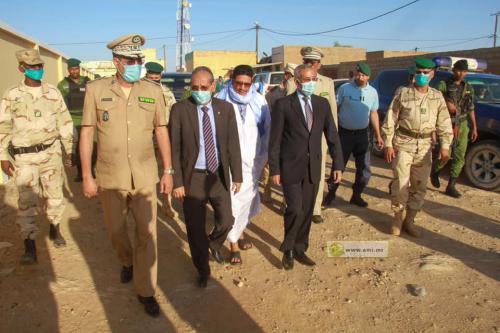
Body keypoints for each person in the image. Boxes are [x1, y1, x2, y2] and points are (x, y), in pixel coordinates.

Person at [79, 34, 173, 317]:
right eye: (131, 60)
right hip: (111, 176)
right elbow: (86, 133)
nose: (136, 65)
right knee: (116, 230)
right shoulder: (96, 90)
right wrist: (87, 175)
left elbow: (161, 130)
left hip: (145, 176)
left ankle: (146, 291)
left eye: (139, 60)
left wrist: (168, 170)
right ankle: (126, 261)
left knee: (147, 234)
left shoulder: (153, 91)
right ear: (116, 62)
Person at [169, 66, 242, 287]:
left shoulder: (226, 109)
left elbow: (232, 144)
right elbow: (174, 148)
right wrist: (178, 181)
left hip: (218, 174)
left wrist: (237, 175)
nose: (199, 91)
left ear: (213, 86)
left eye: (203, 87)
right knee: (195, 227)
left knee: (227, 219)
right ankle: (202, 269)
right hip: (194, 178)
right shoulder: (180, 109)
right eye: (194, 88)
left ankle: (214, 243)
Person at [0, 49, 73, 264]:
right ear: (21, 68)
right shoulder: (11, 94)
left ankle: (54, 228)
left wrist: (69, 150)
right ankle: (29, 245)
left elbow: (65, 122)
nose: (37, 70)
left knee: (54, 195)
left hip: (51, 153)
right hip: (24, 158)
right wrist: (3, 155)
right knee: (26, 200)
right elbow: (3, 127)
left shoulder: (53, 92)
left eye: (39, 66)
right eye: (32, 67)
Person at [269, 64, 343, 270]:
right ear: (297, 81)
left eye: (314, 79)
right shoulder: (283, 105)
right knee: (294, 208)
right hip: (290, 166)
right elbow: (274, 141)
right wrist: (274, 169)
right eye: (307, 79)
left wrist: (338, 164)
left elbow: (332, 135)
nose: (311, 83)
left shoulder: (322, 104)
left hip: (314, 167)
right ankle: (288, 248)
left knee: (308, 209)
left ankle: (300, 248)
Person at [382, 58, 453, 238]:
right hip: (404, 143)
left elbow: (444, 123)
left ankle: (410, 220)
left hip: (425, 147)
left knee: (420, 186)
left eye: (425, 73)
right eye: (419, 72)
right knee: (400, 184)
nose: (422, 75)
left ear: (432, 75)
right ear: (414, 73)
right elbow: (391, 117)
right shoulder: (403, 92)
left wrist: (445, 146)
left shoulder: (437, 97)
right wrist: (388, 143)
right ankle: (398, 218)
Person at [216, 65, 270, 265]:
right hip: (229, 162)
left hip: (253, 161)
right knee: (233, 202)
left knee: (247, 200)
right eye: (238, 83)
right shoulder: (220, 99)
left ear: (252, 83)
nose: (241, 88)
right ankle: (233, 244)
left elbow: (267, 130)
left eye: (246, 84)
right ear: (231, 80)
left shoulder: (258, 100)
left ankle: (240, 232)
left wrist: (263, 158)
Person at [286, 46, 338, 224]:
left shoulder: (327, 82)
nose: (309, 64)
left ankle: (314, 208)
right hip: (297, 137)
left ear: (319, 64)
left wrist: (333, 142)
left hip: (319, 137)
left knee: (318, 171)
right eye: (306, 62)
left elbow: (332, 114)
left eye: (312, 62)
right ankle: (292, 204)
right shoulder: (294, 82)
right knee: (294, 170)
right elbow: (288, 110)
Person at [323, 63, 383, 207]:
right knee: (338, 165)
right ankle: (330, 194)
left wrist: (378, 135)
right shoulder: (345, 88)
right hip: (344, 135)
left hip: (362, 135)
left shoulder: (372, 92)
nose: (360, 77)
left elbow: (373, 113)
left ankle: (356, 195)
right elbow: (335, 108)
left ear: (369, 76)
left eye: (363, 75)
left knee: (364, 168)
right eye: (358, 74)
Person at [430, 59, 478, 198]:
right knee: (445, 154)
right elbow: (434, 99)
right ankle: (435, 171)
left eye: (463, 71)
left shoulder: (468, 87)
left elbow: (471, 108)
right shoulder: (443, 84)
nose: (461, 73)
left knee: (460, 155)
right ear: (453, 70)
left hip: (462, 124)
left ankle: (451, 186)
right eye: (458, 70)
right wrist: (447, 103)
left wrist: (474, 127)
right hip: (447, 123)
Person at [145, 61, 178, 218]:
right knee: (145, 174)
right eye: (151, 78)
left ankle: (167, 204)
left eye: (156, 78)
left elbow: (174, 117)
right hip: (143, 141)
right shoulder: (137, 91)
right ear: (146, 75)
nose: (154, 80)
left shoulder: (167, 93)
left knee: (166, 172)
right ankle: (145, 205)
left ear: (160, 77)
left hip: (162, 139)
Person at [262, 63, 296, 204]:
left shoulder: (297, 94)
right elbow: (266, 116)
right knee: (270, 166)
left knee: (288, 169)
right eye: (293, 77)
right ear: (287, 76)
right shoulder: (274, 94)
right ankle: (267, 192)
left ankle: (285, 201)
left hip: (290, 138)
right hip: (274, 136)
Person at [57, 58, 93, 182]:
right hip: (72, 118)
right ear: (68, 70)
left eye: (76, 68)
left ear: (79, 68)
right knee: (76, 146)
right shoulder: (63, 85)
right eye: (72, 69)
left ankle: (91, 170)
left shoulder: (88, 82)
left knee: (92, 144)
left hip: (88, 117)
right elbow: (61, 104)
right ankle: (80, 172)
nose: (74, 71)